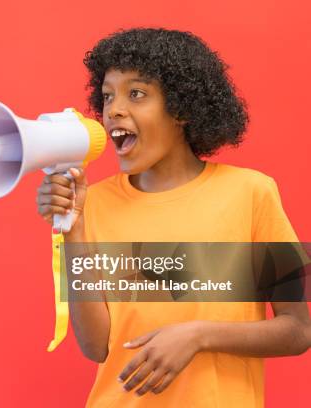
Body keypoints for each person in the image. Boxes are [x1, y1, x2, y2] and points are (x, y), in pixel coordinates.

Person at [36, 28, 310, 407]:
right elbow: (96, 346)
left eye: (136, 93)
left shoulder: (252, 193)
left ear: (182, 108)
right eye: (107, 95)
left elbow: (298, 330)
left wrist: (198, 336)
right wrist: (74, 230)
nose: (113, 109)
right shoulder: (93, 203)